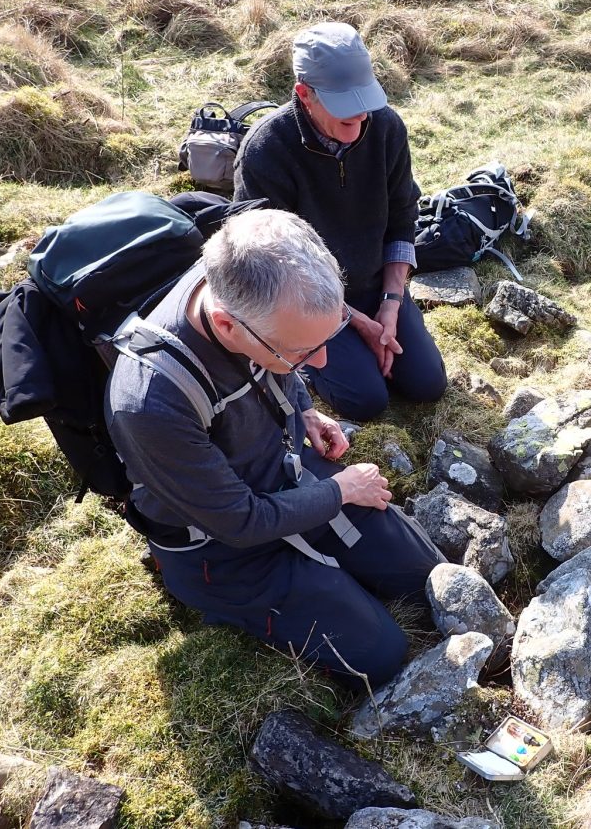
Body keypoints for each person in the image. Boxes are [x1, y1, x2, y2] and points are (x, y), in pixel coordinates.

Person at [105, 208, 444, 687]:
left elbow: (275, 365)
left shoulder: (246, 283)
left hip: (284, 471)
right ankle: (211, 597)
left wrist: (302, 409)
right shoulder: (150, 401)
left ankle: (326, 570)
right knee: (380, 653)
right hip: (223, 545)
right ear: (226, 327)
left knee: (427, 578)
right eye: (302, 353)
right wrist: (342, 490)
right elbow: (241, 522)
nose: (322, 362)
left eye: (327, 340)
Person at [232, 21, 446, 421]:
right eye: (344, 107)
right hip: (304, 302)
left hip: (375, 285)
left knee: (426, 384)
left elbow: (403, 216)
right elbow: (268, 265)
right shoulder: (266, 150)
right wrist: (353, 321)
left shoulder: (386, 127)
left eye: (364, 102)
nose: (361, 117)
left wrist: (390, 303)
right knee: (366, 400)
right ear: (304, 94)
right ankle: (302, 362)